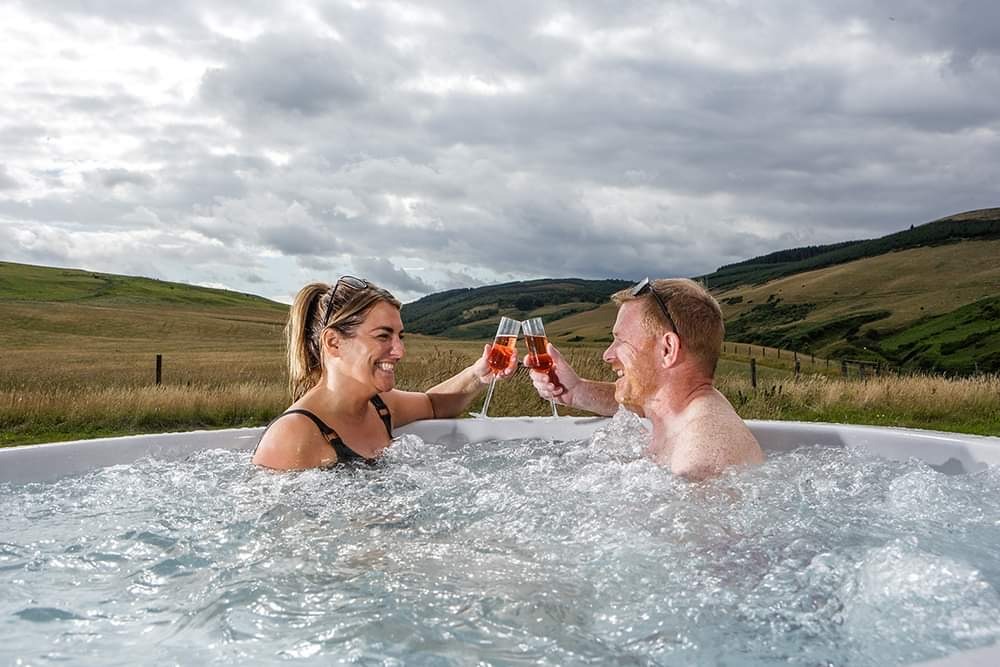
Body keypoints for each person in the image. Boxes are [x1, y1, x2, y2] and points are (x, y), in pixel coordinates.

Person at [253, 276, 516, 470]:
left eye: (400, 336)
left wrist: (479, 375)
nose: (399, 351)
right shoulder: (294, 436)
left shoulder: (380, 407)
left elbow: (434, 405)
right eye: (383, 336)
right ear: (333, 343)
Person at [527, 277, 764, 480]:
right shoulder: (694, 406)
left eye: (621, 340)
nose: (607, 355)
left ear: (667, 349)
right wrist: (576, 391)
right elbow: (647, 398)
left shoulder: (700, 465)